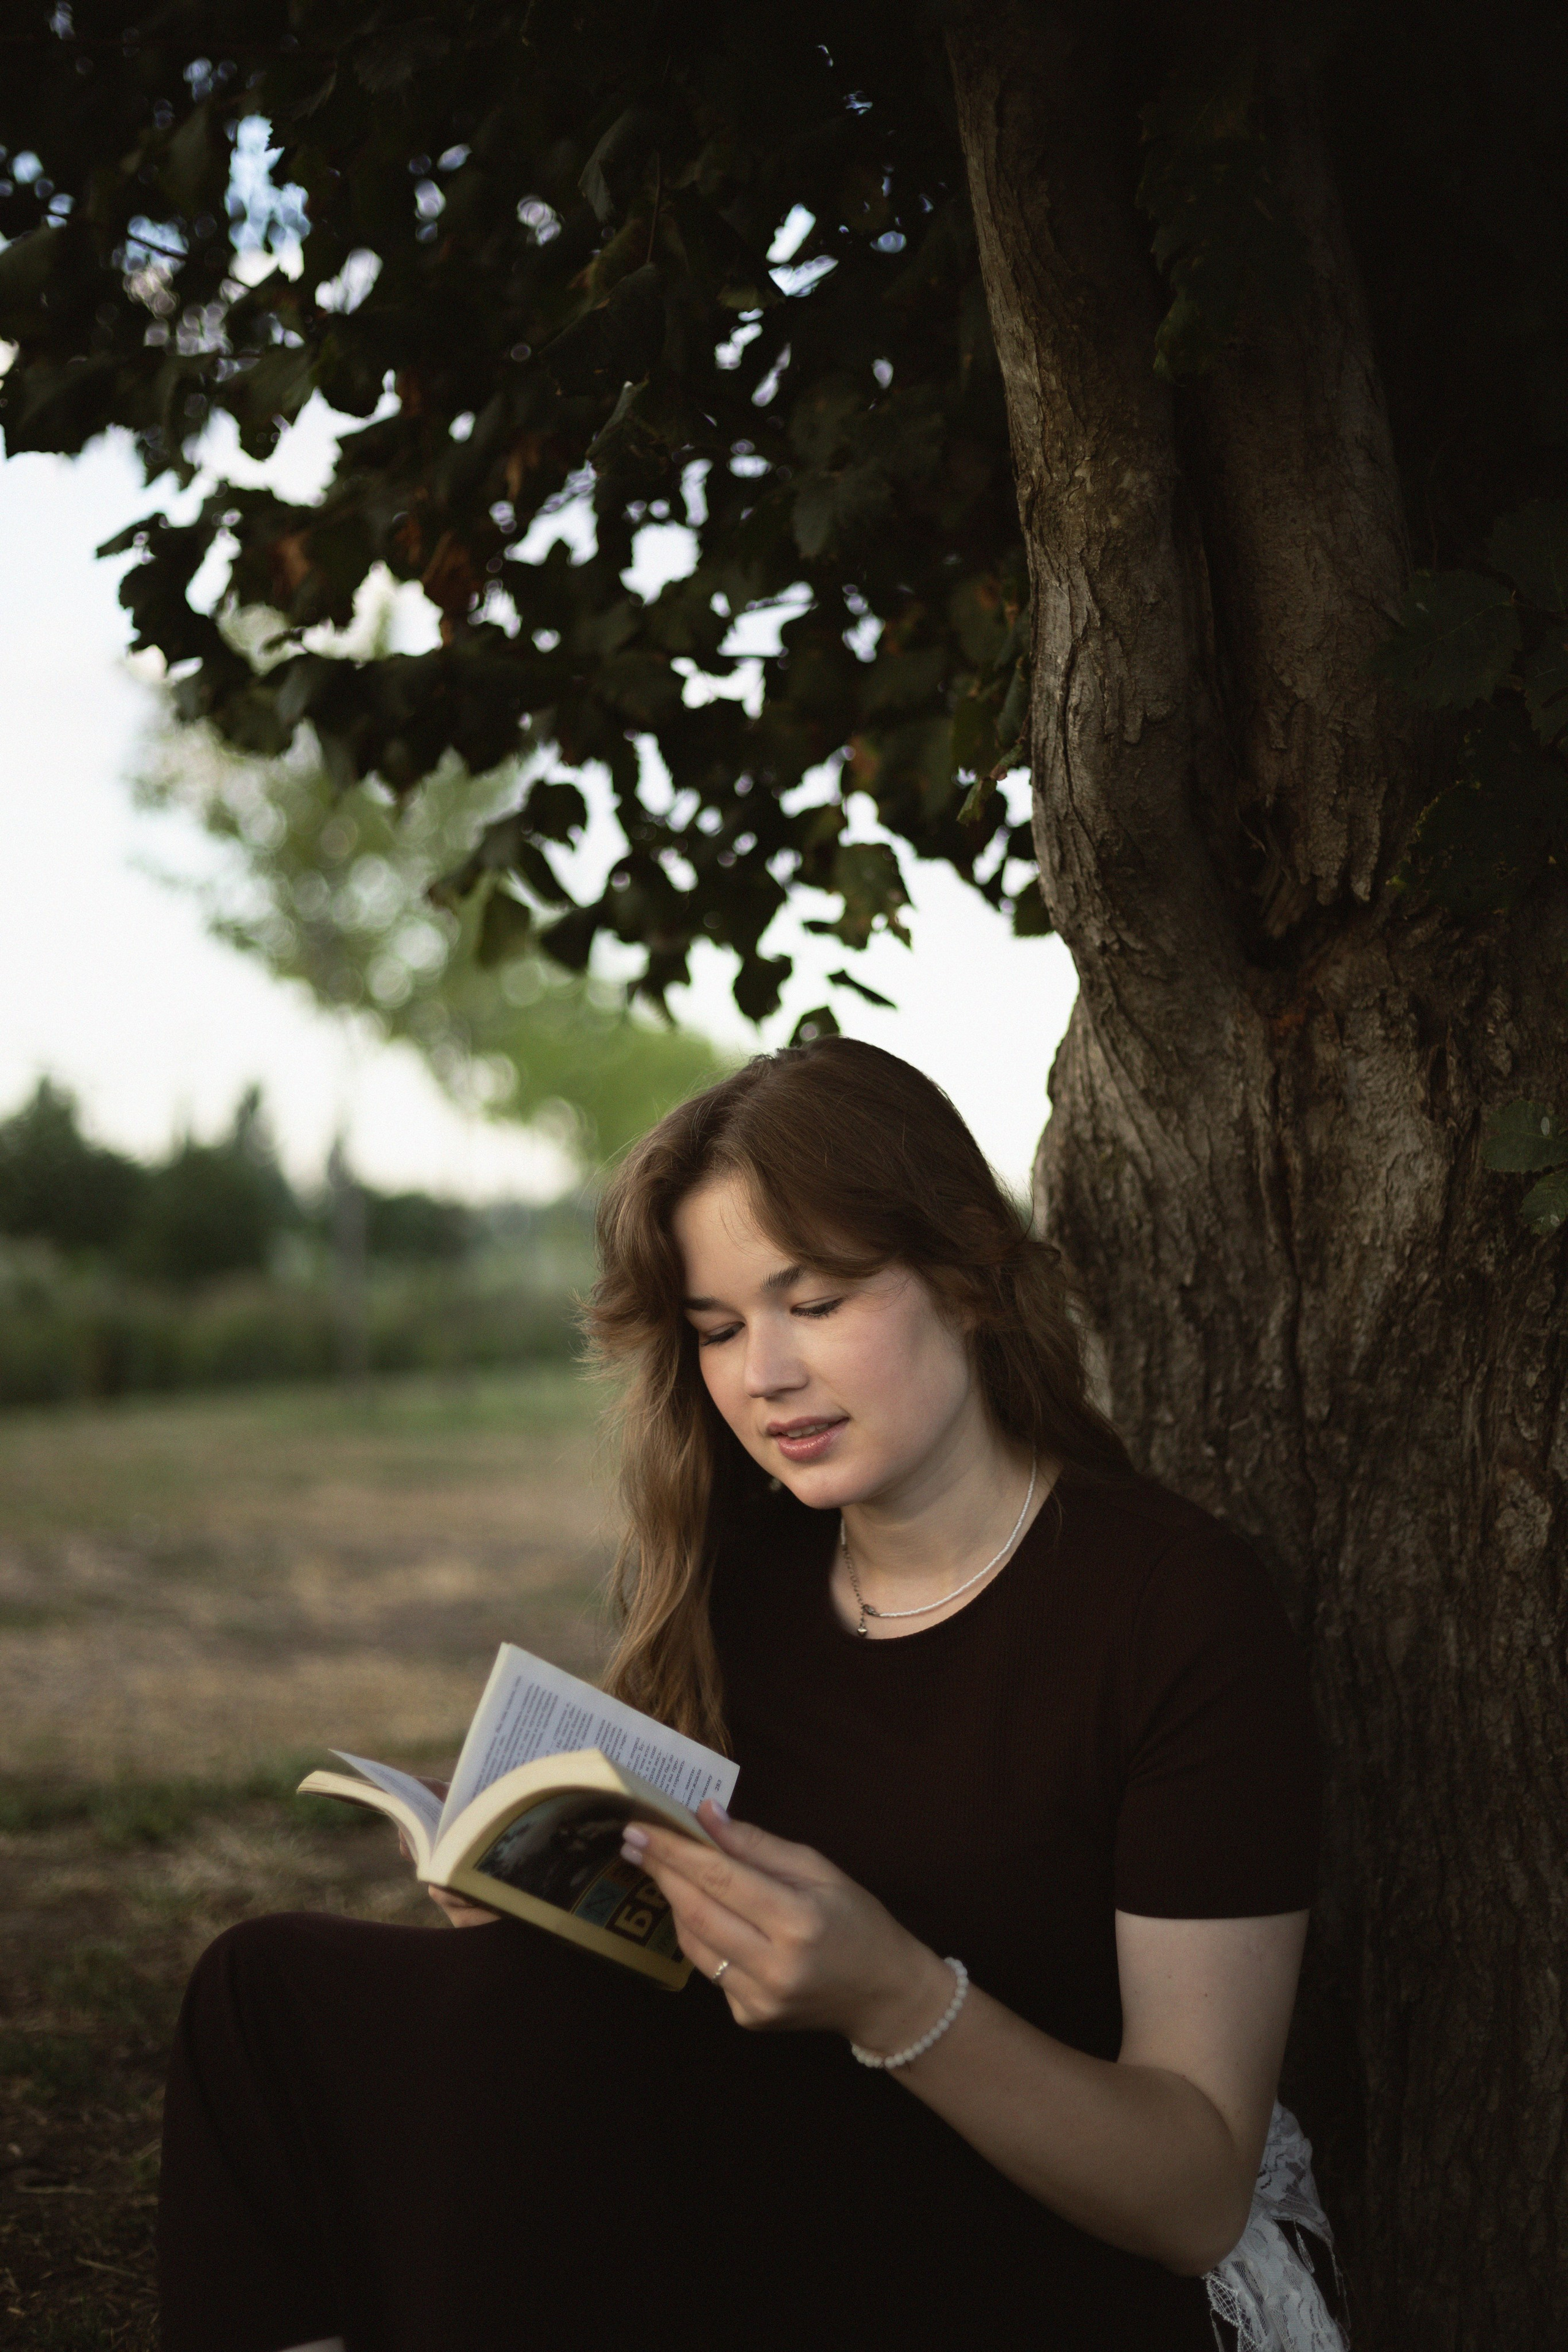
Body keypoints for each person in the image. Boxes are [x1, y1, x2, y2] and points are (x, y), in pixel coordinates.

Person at [157, 1039, 1346, 2351]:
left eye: (816, 1302)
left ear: (965, 1278)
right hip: (728, 2146)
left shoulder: (1174, 1609)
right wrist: (532, 1891)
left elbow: (1189, 2193)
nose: (761, 1375)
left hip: (988, 2228)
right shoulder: (743, 1579)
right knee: (266, 1994)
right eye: (717, 1330)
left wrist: (898, 1996)